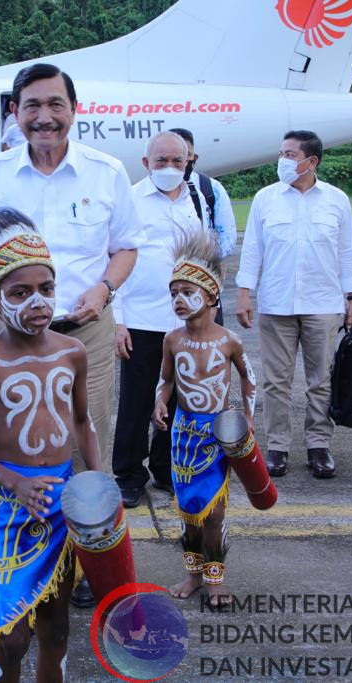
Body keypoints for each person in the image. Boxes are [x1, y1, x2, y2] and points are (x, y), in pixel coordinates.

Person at [0, 63, 140, 608]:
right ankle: (15, 551)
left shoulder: (106, 172)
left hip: (83, 331)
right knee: (6, 440)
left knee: (88, 440)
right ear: (14, 113)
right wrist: (7, 311)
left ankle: (87, 560)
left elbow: (127, 247)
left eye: (55, 104)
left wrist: (104, 291)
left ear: (73, 109)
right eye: (32, 106)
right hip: (7, 335)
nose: (44, 117)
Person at [0, 208, 100, 681]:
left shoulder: (71, 351)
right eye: (20, 293)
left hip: (61, 500)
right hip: (9, 508)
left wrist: (97, 482)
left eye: (46, 289)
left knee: (57, 626)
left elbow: (82, 421)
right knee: (14, 635)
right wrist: (14, 481)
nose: (37, 302)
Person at [235, 130, 352, 479]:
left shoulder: (336, 200)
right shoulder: (265, 199)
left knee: (321, 379)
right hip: (276, 303)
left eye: (290, 155)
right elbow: (253, 250)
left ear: (312, 161)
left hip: (323, 302)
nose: (283, 161)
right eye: (281, 153)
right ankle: (277, 447)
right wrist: (244, 293)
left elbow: (347, 252)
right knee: (277, 381)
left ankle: (319, 445)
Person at [153, 230, 255, 608]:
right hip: (183, 434)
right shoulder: (172, 340)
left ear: (211, 296)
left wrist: (248, 418)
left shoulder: (229, 340)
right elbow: (166, 382)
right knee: (188, 513)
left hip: (216, 435)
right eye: (174, 292)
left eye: (188, 292)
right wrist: (159, 403)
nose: (179, 300)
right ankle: (193, 574)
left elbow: (250, 380)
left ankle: (215, 579)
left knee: (213, 513)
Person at [112, 131, 203, 508]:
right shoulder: (130, 199)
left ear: (188, 163)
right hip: (140, 319)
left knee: (179, 398)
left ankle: (166, 468)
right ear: (146, 163)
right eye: (161, 161)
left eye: (177, 162)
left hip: (183, 320)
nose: (170, 168)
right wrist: (116, 320)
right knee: (136, 399)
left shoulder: (194, 198)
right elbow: (113, 257)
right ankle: (129, 473)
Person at [169, 127, 238, 258]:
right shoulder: (141, 193)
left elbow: (227, 236)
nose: (181, 160)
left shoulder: (211, 188)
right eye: (174, 155)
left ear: (194, 157)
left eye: (186, 154)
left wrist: (206, 262)